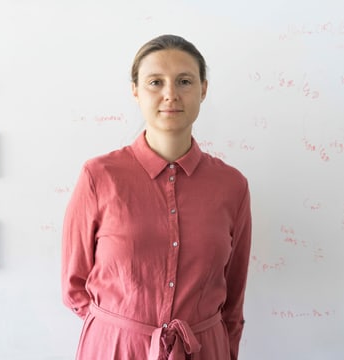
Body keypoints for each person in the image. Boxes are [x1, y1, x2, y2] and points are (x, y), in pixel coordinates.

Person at [61, 34, 253, 360]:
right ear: (135, 90)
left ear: (203, 89)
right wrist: (122, 330)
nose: (170, 94)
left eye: (184, 81)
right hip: (116, 349)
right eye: (155, 82)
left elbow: (233, 300)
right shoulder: (99, 176)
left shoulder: (231, 186)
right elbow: (74, 285)